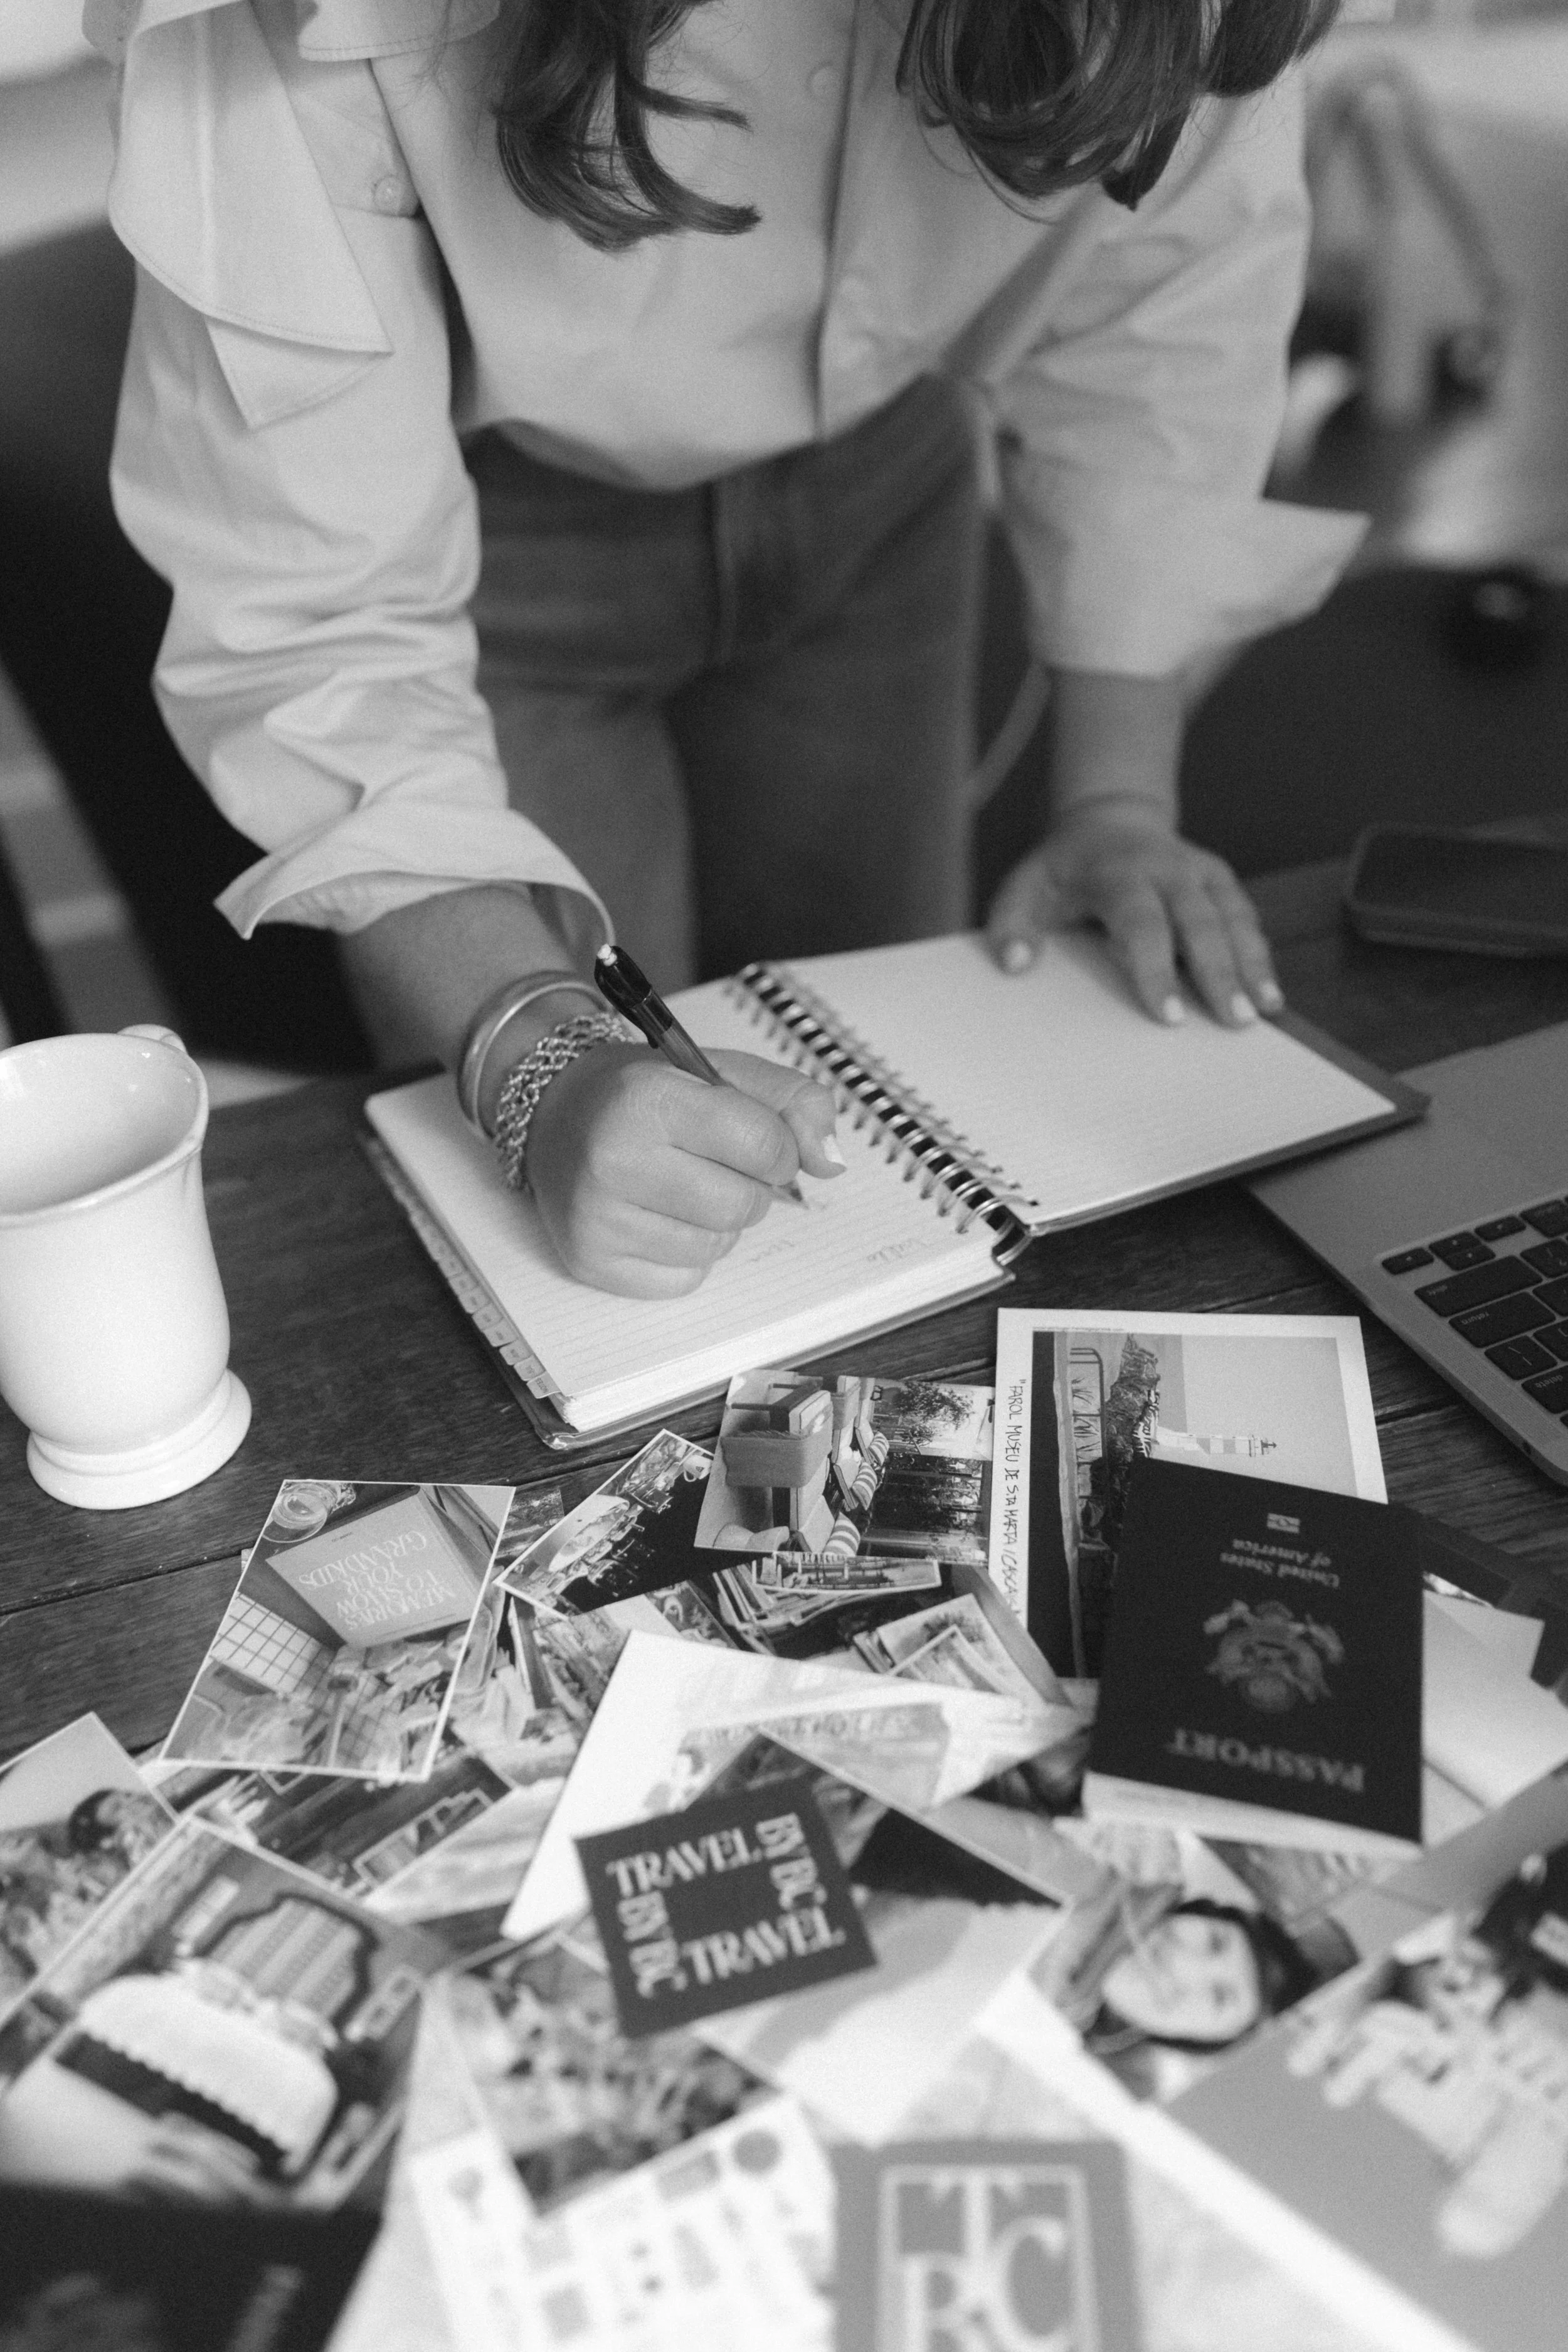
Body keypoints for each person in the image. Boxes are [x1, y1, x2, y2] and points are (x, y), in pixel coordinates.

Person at [98, 0, 1364, 1295]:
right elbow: (321, 622)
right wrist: (541, 1065)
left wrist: (1113, 799)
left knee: (880, 1159)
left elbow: (1166, 299)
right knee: (614, 1212)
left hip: (883, 495)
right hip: (482, 539)